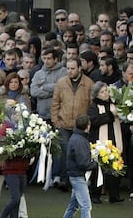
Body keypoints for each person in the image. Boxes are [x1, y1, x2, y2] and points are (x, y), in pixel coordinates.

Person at [51, 58, 94, 190]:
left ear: (80, 68)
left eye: (72, 68)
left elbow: (91, 106)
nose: (69, 71)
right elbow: (55, 104)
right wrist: (56, 122)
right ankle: (65, 180)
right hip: (63, 124)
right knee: (64, 152)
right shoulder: (61, 83)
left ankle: (79, 181)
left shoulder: (89, 84)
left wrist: (88, 125)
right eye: (68, 68)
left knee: (81, 154)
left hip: (80, 126)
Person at [87, 81, 124, 204]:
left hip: (114, 138)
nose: (105, 93)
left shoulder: (113, 104)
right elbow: (94, 121)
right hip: (99, 140)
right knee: (98, 168)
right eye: (102, 92)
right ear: (96, 94)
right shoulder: (93, 106)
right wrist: (110, 115)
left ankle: (114, 195)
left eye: (106, 91)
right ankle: (95, 195)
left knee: (115, 166)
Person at [63, 115, 97, 218]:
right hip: (78, 176)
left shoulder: (76, 137)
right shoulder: (80, 141)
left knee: (73, 205)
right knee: (86, 206)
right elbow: (83, 163)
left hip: (75, 175)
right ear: (87, 126)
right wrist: (95, 164)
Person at [0, 120, 29, 218]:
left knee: (17, 200)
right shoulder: (5, 127)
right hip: (10, 169)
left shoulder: (25, 126)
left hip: (22, 168)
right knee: (15, 198)